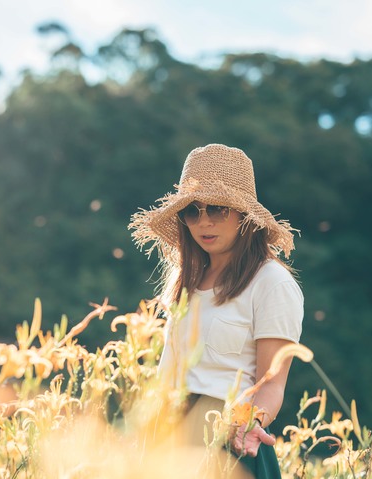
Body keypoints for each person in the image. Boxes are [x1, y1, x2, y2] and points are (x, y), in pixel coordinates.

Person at [129, 144, 303, 478]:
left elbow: (271, 384)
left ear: (244, 215)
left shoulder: (271, 282)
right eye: (193, 211)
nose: (204, 221)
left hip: (229, 443)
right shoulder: (186, 279)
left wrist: (249, 425)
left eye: (219, 209)